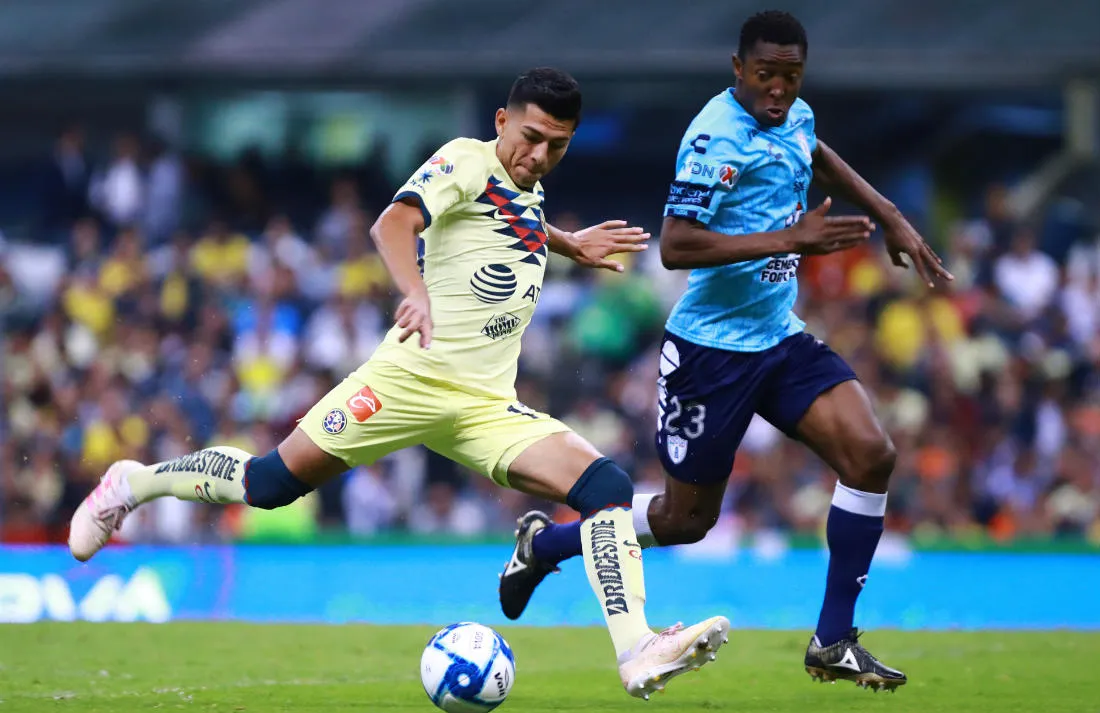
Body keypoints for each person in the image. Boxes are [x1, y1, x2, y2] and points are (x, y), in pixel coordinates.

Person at [67, 67, 729, 700]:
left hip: (485, 406)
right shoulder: (467, 158)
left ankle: (636, 646)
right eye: (529, 138)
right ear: (502, 121)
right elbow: (392, 223)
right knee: (270, 483)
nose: (538, 155)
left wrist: (567, 242)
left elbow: (508, 218)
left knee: (605, 487)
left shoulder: (525, 186)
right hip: (405, 381)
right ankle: (135, 481)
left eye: (557, 145)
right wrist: (415, 293)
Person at [497, 14, 953, 692]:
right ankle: (548, 544)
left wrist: (890, 213)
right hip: (709, 353)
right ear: (737, 69)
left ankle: (832, 639)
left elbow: (814, 148)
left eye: (790, 77)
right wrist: (787, 241)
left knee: (871, 453)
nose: (778, 90)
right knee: (687, 520)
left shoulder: (794, 114)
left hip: (777, 334)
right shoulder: (715, 138)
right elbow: (676, 244)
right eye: (765, 75)